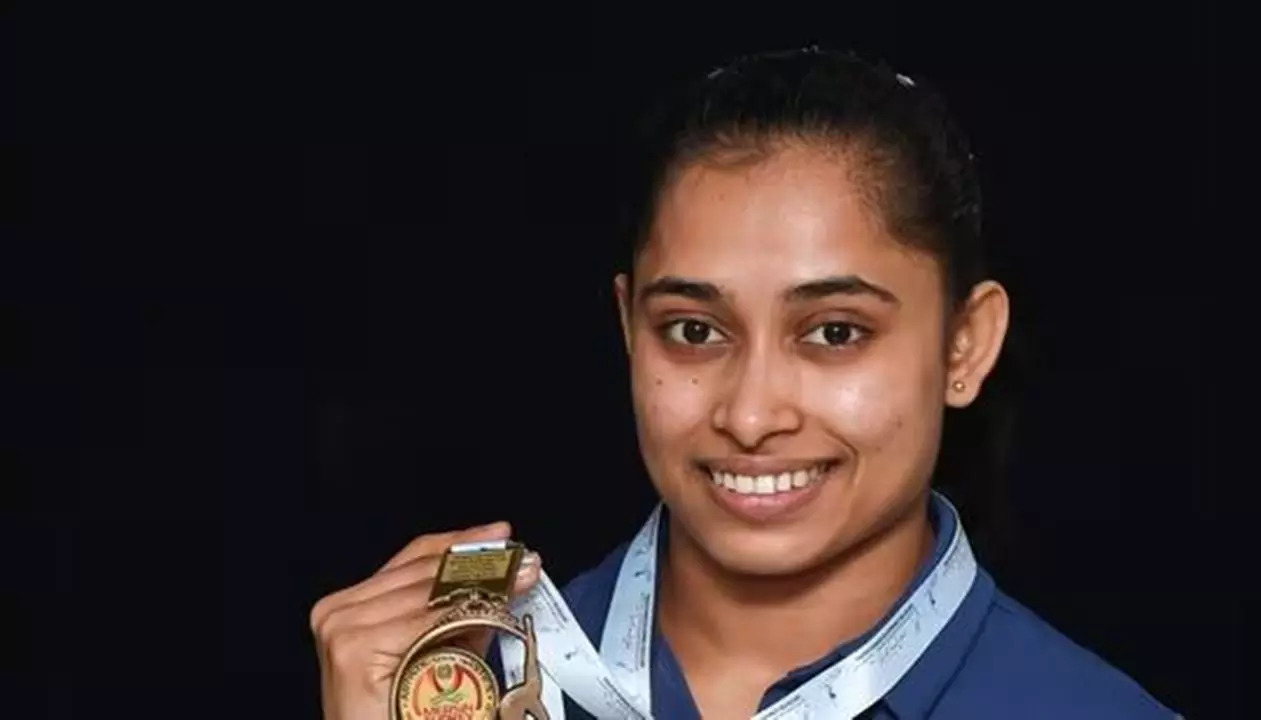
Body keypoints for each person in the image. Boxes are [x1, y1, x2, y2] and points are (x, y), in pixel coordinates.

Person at [310, 47, 1180, 719]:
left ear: (965, 345)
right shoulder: (462, 681)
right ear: (627, 328)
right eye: (694, 331)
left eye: (835, 333)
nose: (752, 414)